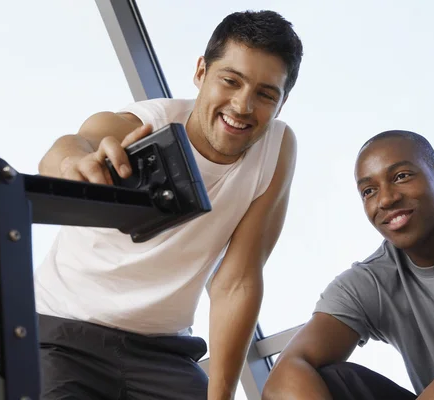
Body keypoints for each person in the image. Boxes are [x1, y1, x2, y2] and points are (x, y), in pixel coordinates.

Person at [35, 10, 303, 400]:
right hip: (63, 332)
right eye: (231, 81)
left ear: (282, 102)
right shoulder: (149, 123)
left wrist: (222, 395)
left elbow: (237, 281)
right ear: (201, 72)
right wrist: (71, 163)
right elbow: (77, 142)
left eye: (265, 94)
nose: (243, 106)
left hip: (163, 353)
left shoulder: (276, 149)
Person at [262, 130, 434, 400]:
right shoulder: (371, 280)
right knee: (332, 380)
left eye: (401, 176)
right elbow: (285, 375)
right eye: (369, 191)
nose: (386, 199)